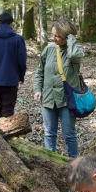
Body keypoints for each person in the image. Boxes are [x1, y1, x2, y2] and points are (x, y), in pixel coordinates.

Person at [33, 19, 85, 158]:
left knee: (69, 134)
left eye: (58, 36)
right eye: (53, 35)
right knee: (49, 133)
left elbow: (73, 55)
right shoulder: (49, 49)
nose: (54, 38)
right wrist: (38, 89)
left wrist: (71, 38)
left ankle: (73, 163)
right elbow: (39, 72)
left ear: (67, 36)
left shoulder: (76, 51)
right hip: (48, 98)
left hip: (67, 100)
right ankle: (50, 162)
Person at [0, 12, 27, 118]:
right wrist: (21, 76)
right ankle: (6, 131)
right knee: (8, 110)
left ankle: (1, 131)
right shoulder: (18, 39)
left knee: (2, 108)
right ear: (11, 23)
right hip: (11, 80)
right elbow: (22, 59)